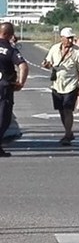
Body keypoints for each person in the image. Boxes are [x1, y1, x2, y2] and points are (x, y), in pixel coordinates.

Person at [41, 27, 79, 146]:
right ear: (62, 38)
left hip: (71, 84)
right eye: (68, 38)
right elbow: (48, 62)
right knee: (61, 110)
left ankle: (67, 133)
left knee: (67, 109)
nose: (71, 40)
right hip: (57, 84)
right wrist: (46, 64)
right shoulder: (54, 49)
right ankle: (68, 132)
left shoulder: (77, 51)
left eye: (72, 38)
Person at [0, 23, 28, 157]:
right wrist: (21, 83)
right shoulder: (10, 49)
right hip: (4, 87)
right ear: (9, 34)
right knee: (3, 117)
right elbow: (23, 66)